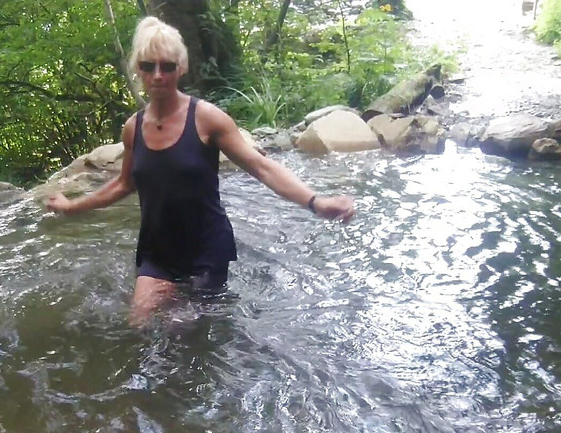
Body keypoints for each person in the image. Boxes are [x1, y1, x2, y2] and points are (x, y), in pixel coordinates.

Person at [47, 16, 356, 326]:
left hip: (205, 251)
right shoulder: (133, 128)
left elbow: (262, 167)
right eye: (148, 66)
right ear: (137, 69)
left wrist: (316, 202)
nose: (158, 75)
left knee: (182, 333)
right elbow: (123, 184)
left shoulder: (207, 119)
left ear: (181, 68)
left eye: (167, 66)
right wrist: (72, 206)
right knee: (139, 325)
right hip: (158, 251)